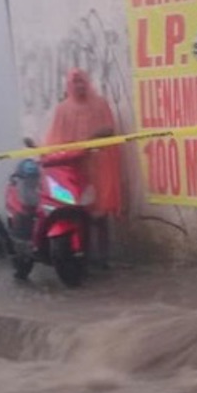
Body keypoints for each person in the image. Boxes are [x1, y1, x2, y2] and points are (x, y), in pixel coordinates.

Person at [46, 68, 125, 264]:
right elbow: (55, 139)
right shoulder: (63, 110)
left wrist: (94, 139)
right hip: (73, 168)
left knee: (100, 214)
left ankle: (104, 259)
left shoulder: (99, 104)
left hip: (98, 167)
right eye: (75, 83)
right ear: (69, 86)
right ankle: (83, 256)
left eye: (82, 82)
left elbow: (109, 129)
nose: (80, 86)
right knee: (77, 212)